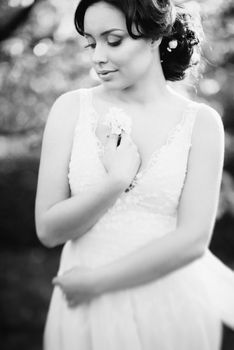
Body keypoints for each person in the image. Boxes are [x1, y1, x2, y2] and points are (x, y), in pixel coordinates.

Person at [35, 0, 234, 349]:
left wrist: (97, 282)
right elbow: (49, 230)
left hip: (169, 307)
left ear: (156, 36)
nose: (98, 56)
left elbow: (192, 241)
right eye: (91, 42)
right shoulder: (71, 109)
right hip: (86, 311)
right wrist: (115, 182)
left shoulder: (201, 125)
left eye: (113, 41)